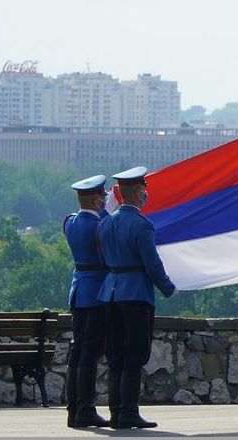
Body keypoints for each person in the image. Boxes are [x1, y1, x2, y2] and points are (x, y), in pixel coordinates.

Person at [96, 166, 176, 429]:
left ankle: (116, 411)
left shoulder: (105, 223)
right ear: (136, 192)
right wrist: (168, 287)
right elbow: (152, 264)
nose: (145, 193)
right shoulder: (142, 225)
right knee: (135, 353)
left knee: (115, 354)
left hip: (110, 292)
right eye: (143, 189)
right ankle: (129, 410)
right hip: (136, 294)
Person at [63, 174, 111, 428]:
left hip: (78, 291)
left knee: (78, 352)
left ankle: (74, 408)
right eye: (102, 196)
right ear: (95, 200)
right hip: (95, 294)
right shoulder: (100, 226)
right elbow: (106, 253)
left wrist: (102, 211)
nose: (105, 200)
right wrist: (106, 213)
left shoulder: (70, 223)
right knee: (89, 354)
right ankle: (86, 408)